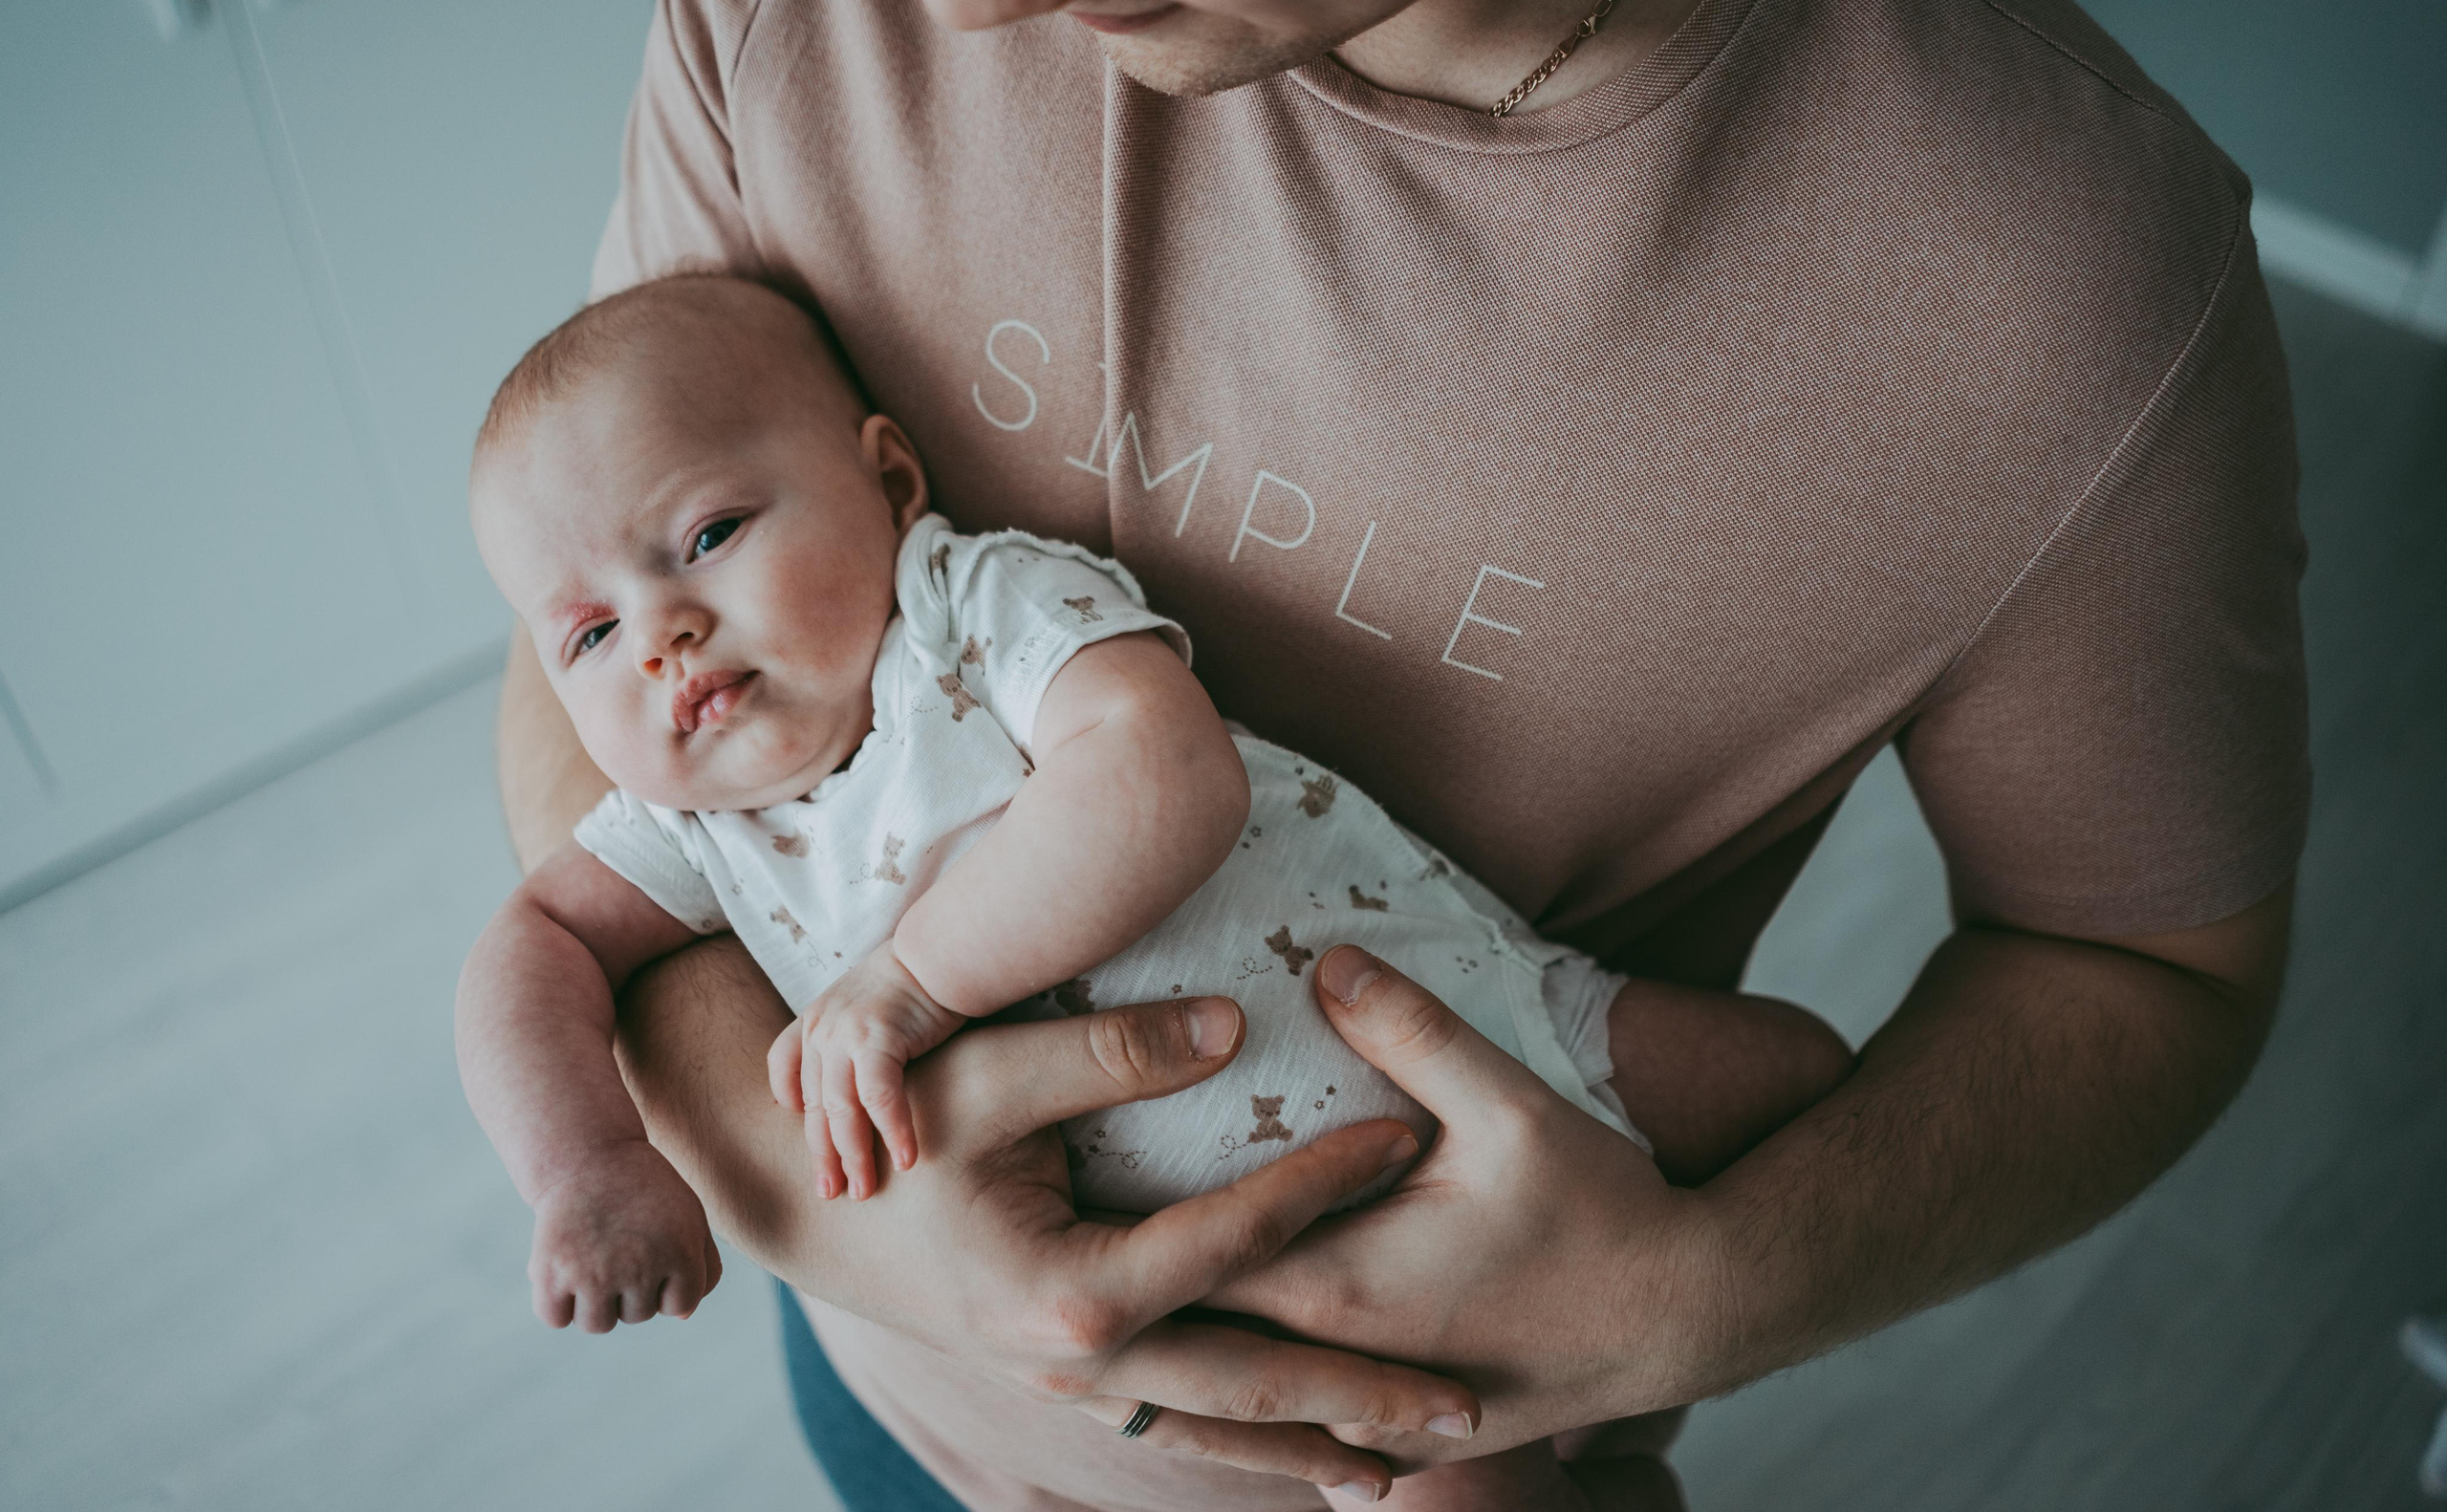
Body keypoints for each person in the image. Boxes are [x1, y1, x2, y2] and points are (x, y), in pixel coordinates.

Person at [493, 0, 2309, 1506]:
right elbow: (590, 653)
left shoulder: (2060, 281)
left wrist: (1712, 1288)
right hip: (895, 1418)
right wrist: (828, 1218)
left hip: (1431, 1419)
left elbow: (2145, 965)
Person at [460, 272, 1852, 1509]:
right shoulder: (694, 830)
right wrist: (585, 1163)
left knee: (1805, 1091)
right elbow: (533, 946)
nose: (662, 634)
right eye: (589, 633)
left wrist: (910, 985)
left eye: (708, 535)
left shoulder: (963, 613)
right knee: (1463, 1475)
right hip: (1343, 1280)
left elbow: (1164, 774)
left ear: (886, 481)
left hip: (1509, 1031)